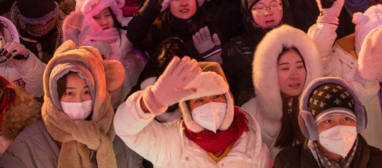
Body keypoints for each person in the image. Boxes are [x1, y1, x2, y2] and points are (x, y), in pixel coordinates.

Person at [0, 41, 142, 168]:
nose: (79, 101)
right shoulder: (29, 143)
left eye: (87, 92)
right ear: (55, 95)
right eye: (70, 93)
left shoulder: (121, 133)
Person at [114, 58, 270, 167]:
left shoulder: (253, 146)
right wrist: (151, 102)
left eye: (216, 96)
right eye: (199, 100)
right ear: (188, 109)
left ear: (228, 99)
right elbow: (125, 129)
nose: (210, 104)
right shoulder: (169, 142)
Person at [274, 77, 382, 168]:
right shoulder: (287, 162)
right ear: (310, 126)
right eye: (328, 121)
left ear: (358, 121)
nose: (339, 127)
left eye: (346, 119)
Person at [242, 24, 322, 157]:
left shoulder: (319, 106)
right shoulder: (250, 113)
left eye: (300, 66)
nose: (294, 75)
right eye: (285, 68)